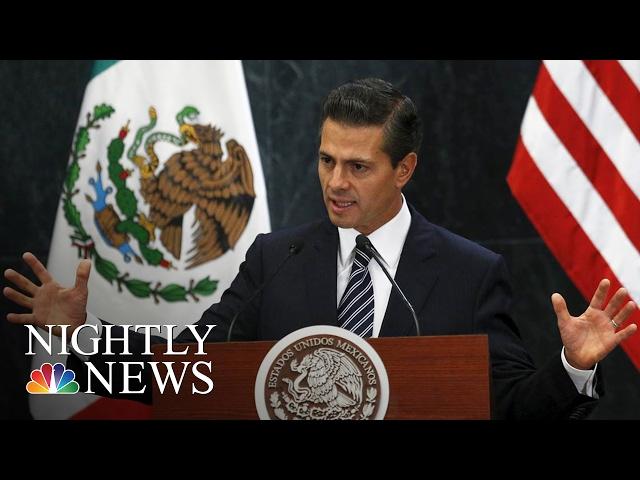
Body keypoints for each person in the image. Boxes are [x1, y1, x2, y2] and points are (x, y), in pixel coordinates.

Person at [4, 78, 638, 419]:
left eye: (359, 167)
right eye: (327, 160)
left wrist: (572, 367)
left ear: (405, 168)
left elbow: (508, 406)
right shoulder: (275, 258)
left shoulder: (471, 273)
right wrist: (75, 342)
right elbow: (190, 371)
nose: (336, 183)